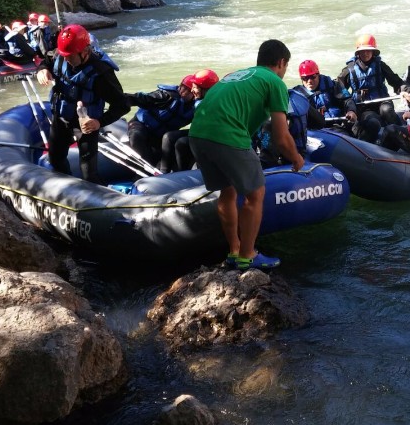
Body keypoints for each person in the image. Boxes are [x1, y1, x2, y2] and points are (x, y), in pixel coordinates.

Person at [188, 39, 304, 271]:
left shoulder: (240, 74)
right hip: (227, 134)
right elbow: (281, 137)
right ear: (281, 63)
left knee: (227, 191)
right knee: (256, 193)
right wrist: (296, 158)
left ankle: (233, 250)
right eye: (286, 66)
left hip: (197, 133)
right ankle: (248, 255)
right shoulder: (275, 82)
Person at [36, 24, 130, 184]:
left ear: (85, 51)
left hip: (87, 124)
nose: (65, 58)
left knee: (89, 173)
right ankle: (68, 190)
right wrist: (42, 69)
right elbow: (47, 60)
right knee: (56, 160)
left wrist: (99, 122)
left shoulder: (101, 73)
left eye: (70, 56)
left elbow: (122, 105)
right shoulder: (61, 53)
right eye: (64, 55)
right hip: (62, 118)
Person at [337, 34, 405, 143]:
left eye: (369, 50)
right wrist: (349, 106)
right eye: (363, 51)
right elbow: (339, 88)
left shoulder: (381, 65)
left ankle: (404, 136)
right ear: (358, 52)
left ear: (373, 52)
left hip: (382, 101)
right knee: (373, 121)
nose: (366, 53)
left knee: (387, 110)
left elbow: (396, 82)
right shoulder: (349, 70)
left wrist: (405, 90)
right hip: (364, 108)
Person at [126, 74, 199, 171]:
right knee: (136, 136)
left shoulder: (196, 107)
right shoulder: (167, 96)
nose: (183, 92)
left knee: (162, 159)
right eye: (182, 87)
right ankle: (142, 169)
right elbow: (142, 98)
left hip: (159, 135)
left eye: (188, 90)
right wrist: (121, 99)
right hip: (141, 126)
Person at [170, 68, 220, 173]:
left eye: (195, 87)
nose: (192, 90)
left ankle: (185, 174)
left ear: (205, 90)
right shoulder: (201, 100)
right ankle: (166, 171)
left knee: (181, 143)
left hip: (214, 138)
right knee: (170, 136)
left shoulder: (211, 104)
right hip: (203, 133)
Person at [295, 59, 355, 131]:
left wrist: (351, 111)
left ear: (318, 74)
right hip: (315, 132)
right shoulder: (297, 95)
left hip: (338, 126)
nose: (309, 81)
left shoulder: (332, 85)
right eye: (305, 78)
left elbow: (347, 100)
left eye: (313, 77)